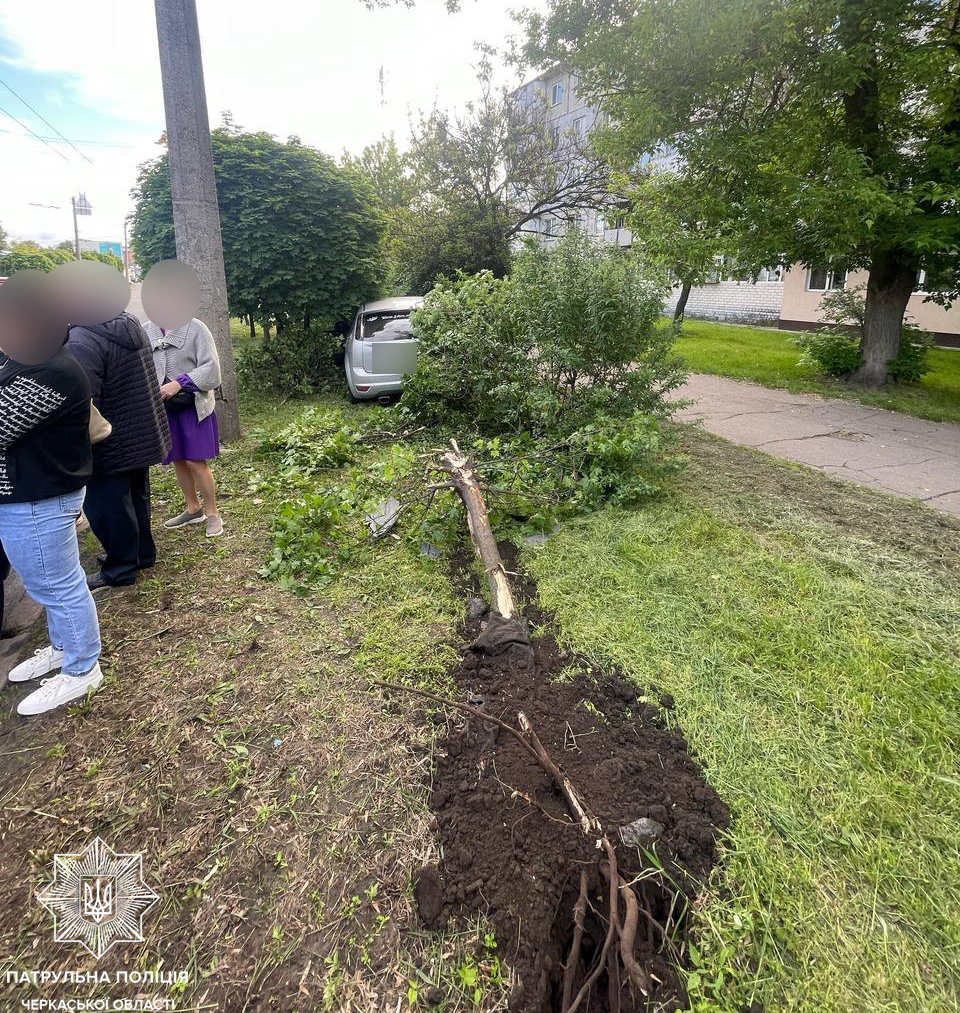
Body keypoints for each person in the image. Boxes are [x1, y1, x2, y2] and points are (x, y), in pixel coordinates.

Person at [0, 276, 103, 716]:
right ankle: (63, 648)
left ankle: (82, 669)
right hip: (29, 493)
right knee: (49, 583)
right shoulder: (27, 357)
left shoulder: (49, 369)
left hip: (39, 497)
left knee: (58, 585)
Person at [67, 311, 171, 590]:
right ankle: (141, 554)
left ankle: (120, 569)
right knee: (136, 497)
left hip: (109, 440)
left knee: (108, 506)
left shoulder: (82, 338)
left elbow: (83, 399)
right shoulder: (125, 322)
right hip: (140, 430)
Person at [143, 316, 224, 537]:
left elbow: (212, 368)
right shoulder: (146, 330)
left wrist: (179, 383)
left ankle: (213, 513)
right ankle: (193, 508)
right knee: (178, 457)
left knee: (195, 460)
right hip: (164, 407)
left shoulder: (196, 328)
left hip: (193, 404)